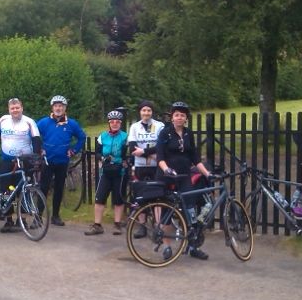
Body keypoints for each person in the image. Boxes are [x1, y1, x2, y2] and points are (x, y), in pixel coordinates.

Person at [156, 101, 212, 260]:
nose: (179, 118)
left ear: (186, 118)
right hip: (167, 177)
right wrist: (166, 169)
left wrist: (207, 173)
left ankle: (193, 246)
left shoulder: (188, 134)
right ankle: (167, 247)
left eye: (182, 115)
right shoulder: (165, 133)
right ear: (172, 117)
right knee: (167, 212)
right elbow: (160, 157)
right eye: (176, 115)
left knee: (190, 210)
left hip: (184, 176)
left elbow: (195, 157)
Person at [0, 98, 42, 233]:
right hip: (7, 161)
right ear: (9, 109)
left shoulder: (29, 122)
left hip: (25, 161)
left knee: (23, 190)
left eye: (17, 107)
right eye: (12, 108)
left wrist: (35, 156)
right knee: (7, 190)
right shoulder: (3, 120)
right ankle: (8, 220)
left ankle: (21, 220)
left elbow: (36, 139)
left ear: (22, 108)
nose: (15, 110)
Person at [37, 95, 86, 226]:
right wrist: (39, 149)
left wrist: (74, 150)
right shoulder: (43, 122)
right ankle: (38, 217)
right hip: (47, 161)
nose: (58, 108)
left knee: (59, 189)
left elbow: (82, 137)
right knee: (43, 188)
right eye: (56, 106)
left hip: (63, 162)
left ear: (65, 108)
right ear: (52, 108)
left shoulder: (72, 123)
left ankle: (55, 216)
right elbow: (34, 135)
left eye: (61, 106)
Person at [84, 110, 128, 236]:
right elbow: (97, 153)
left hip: (120, 172)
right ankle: (97, 225)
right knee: (100, 197)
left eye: (117, 122)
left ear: (120, 123)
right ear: (109, 123)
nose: (114, 124)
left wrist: (123, 161)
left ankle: (117, 224)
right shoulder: (103, 136)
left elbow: (127, 155)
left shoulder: (125, 136)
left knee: (118, 198)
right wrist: (102, 158)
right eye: (112, 122)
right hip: (106, 171)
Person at [127, 100, 165, 238]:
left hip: (156, 166)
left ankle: (158, 225)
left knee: (158, 196)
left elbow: (160, 147)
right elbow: (132, 148)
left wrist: (143, 152)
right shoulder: (134, 127)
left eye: (149, 110)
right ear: (140, 112)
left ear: (152, 112)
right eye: (144, 110)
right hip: (140, 166)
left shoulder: (159, 126)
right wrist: (150, 152)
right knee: (140, 196)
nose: (146, 113)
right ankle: (142, 226)